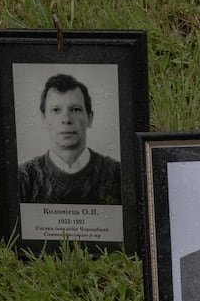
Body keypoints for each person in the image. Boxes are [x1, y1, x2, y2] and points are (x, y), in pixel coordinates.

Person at [18, 73, 122, 205]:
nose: (66, 119)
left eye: (75, 109)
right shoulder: (24, 178)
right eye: (56, 110)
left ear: (90, 118)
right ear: (44, 119)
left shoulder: (117, 174)